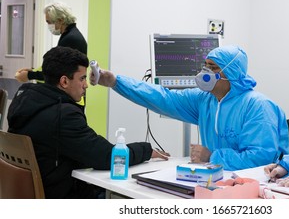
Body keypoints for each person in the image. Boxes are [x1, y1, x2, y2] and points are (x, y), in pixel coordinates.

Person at [90, 45, 289, 171]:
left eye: (213, 68)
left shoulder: (258, 107)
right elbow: (163, 98)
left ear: (232, 73)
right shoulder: (205, 100)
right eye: (205, 66)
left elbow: (261, 159)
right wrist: (116, 82)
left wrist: (212, 156)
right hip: (216, 180)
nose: (205, 72)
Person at [7, 46, 169, 199]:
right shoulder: (63, 115)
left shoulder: (24, 102)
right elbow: (108, 157)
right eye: (82, 78)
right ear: (64, 81)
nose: (86, 85)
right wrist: (147, 150)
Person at [15, 1, 87, 83]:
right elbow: (57, 66)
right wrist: (33, 71)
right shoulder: (69, 35)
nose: (49, 26)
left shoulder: (70, 38)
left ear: (60, 20)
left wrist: (29, 75)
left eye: (49, 22)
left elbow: (58, 72)